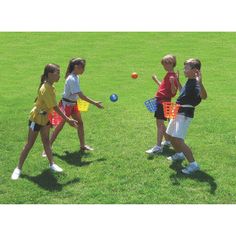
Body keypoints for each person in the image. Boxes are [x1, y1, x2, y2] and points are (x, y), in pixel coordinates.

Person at [11, 64, 78, 180]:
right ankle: (18, 168)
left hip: (45, 118)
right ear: (50, 74)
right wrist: (67, 119)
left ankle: (52, 164)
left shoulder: (51, 86)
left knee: (46, 141)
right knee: (29, 144)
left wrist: (52, 119)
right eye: (57, 73)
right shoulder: (45, 88)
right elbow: (55, 106)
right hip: (36, 119)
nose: (59, 75)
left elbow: (50, 107)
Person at [42, 58, 103, 157]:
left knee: (80, 123)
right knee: (58, 127)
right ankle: (46, 149)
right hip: (66, 105)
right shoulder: (72, 79)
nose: (83, 69)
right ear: (76, 67)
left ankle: (82, 146)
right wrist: (95, 103)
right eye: (82, 67)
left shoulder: (76, 77)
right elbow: (81, 96)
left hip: (73, 104)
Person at [166, 58, 207, 174]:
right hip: (177, 111)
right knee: (170, 136)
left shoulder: (196, 83)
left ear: (195, 70)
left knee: (178, 139)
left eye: (186, 68)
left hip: (184, 114)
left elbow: (204, 97)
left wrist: (200, 82)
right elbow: (183, 92)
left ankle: (193, 164)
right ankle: (179, 154)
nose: (184, 70)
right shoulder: (189, 81)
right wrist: (178, 82)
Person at [146, 54, 181, 154]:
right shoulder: (169, 75)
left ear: (170, 64)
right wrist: (156, 80)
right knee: (161, 124)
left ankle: (158, 146)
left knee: (160, 124)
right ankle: (168, 141)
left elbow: (173, 92)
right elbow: (164, 87)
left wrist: (173, 83)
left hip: (163, 102)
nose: (163, 66)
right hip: (162, 101)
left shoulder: (172, 76)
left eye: (164, 64)